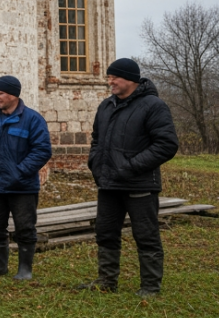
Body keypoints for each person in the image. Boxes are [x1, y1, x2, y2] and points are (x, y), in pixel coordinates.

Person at [76, 59, 179, 297]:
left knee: (146, 235)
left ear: (131, 79)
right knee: (105, 232)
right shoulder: (106, 106)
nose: (109, 81)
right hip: (109, 184)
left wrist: (130, 167)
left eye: (115, 77)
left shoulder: (154, 106)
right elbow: (97, 139)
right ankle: (107, 280)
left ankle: (150, 287)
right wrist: (96, 163)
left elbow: (166, 145)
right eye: (109, 77)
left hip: (139, 184)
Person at [0, 75, 52, 281]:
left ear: (13, 95)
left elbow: (42, 151)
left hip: (22, 187)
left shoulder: (33, 120)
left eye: (0, 93)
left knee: (25, 228)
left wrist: (19, 172)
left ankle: (25, 269)